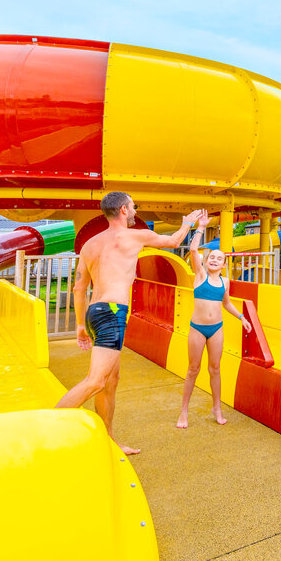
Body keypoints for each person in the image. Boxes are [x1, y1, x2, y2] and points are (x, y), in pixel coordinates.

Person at [56, 192, 203, 455]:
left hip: (94, 311)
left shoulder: (90, 244)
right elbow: (174, 240)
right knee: (96, 381)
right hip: (112, 313)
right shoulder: (135, 236)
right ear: (123, 210)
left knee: (111, 380)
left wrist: (80, 325)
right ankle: (46, 427)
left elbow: (79, 288)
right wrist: (188, 221)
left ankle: (109, 441)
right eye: (133, 206)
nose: (135, 210)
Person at [176, 236, 253, 428]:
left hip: (216, 328)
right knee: (193, 369)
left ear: (224, 265)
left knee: (215, 369)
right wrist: (200, 228)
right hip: (197, 328)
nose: (214, 260)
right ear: (207, 260)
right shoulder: (200, 275)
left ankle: (216, 408)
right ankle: (184, 411)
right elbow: (194, 250)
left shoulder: (225, 281)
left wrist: (242, 318)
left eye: (219, 258)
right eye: (212, 257)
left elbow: (226, 303)